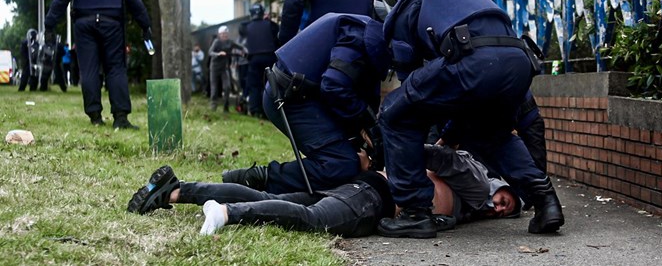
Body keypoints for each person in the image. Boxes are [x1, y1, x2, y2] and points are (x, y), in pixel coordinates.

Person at [374, 0, 564, 238]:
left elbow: (410, 86)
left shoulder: (409, 5)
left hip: (473, 61)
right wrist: (450, 135)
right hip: (519, 61)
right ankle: (546, 203)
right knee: (489, 134)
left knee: (394, 113)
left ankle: (415, 213)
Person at [127, 144, 520, 238]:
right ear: (500, 186)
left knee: (273, 201)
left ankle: (176, 191)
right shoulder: (474, 180)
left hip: (363, 188)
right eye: (507, 201)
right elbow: (444, 156)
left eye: (507, 212)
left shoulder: (469, 208)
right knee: (314, 221)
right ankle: (225, 214)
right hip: (372, 196)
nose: (501, 209)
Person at [221, 13, 390, 194]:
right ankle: (254, 179)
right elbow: (334, 85)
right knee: (342, 164)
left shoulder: (364, 30)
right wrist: (367, 123)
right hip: (291, 98)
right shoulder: (361, 38)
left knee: (346, 158)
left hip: (298, 93)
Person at [44, 0, 152, 128]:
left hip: (84, 24)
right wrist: (145, 25)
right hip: (113, 24)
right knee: (116, 69)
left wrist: (49, 24)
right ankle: (121, 118)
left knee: (89, 69)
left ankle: (95, 117)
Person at [245, 3, 279, 118]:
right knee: (269, 84)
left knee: (254, 85)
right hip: (269, 57)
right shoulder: (270, 25)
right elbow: (277, 34)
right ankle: (268, 111)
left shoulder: (246, 26)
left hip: (254, 58)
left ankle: (255, 109)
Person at [208, 25, 246, 112]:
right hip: (214, 68)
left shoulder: (230, 42)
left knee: (227, 87)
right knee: (214, 88)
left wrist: (244, 50)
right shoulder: (216, 42)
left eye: (226, 34)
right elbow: (210, 52)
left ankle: (226, 107)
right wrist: (218, 54)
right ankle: (213, 106)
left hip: (224, 68)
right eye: (223, 34)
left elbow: (240, 47)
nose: (225, 35)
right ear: (219, 34)